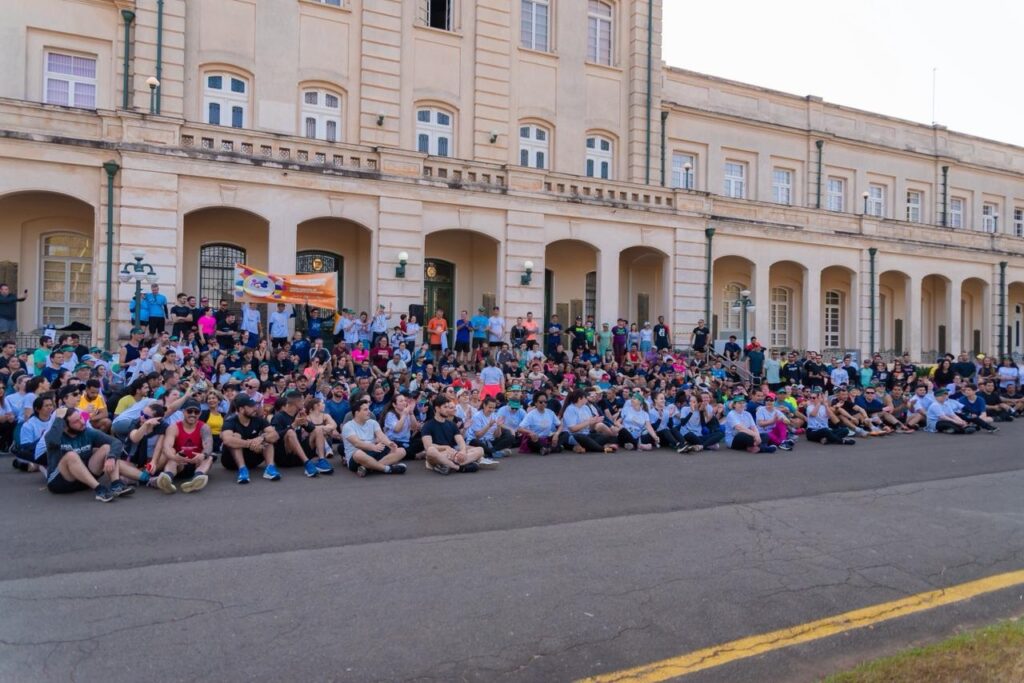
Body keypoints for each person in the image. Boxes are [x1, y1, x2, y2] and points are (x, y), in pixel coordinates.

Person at [44, 406, 147, 502]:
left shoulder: (88, 432)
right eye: (76, 421)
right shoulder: (54, 436)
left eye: (81, 418)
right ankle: (99, 489)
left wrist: (111, 457)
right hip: (60, 482)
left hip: (84, 481)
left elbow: (116, 442)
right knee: (71, 455)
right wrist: (58, 418)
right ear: (65, 426)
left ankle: (116, 484)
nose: (82, 422)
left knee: (107, 448)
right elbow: (52, 441)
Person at [153, 399, 215, 494]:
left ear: (200, 413)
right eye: (189, 411)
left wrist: (203, 455)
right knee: (172, 456)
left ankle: (197, 479)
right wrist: (174, 457)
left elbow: (208, 444)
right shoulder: (174, 427)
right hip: (179, 465)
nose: (193, 414)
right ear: (183, 412)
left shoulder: (204, 427)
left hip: (196, 464)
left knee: (209, 457)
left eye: (196, 412)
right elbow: (167, 447)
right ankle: (167, 479)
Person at [220, 394, 281, 483]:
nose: (255, 408)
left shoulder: (259, 420)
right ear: (241, 409)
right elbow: (227, 440)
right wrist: (250, 443)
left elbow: (275, 435)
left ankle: (270, 468)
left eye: (254, 405)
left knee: (268, 437)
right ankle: (242, 470)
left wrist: (261, 438)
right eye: (251, 406)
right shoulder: (230, 421)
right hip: (231, 461)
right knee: (236, 437)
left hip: (253, 458)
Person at [270, 391, 332, 477]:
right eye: (303, 401)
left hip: (299, 456)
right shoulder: (279, 417)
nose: (304, 403)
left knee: (318, 429)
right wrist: (293, 425)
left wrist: (305, 423)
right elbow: (274, 437)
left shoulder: (298, 415)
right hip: (285, 457)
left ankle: (321, 460)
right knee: (290, 432)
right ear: (297, 402)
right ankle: (307, 463)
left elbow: (313, 430)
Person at [341, 398, 407, 477]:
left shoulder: (372, 422)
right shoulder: (348, 426)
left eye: (368, 409)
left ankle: (368, 468)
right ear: (357, 413)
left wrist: (389, 443)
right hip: (356, 458)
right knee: (358, 454)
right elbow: (357, 443)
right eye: (365, 410)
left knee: (401, 451)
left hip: (373, 452)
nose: (369, 412)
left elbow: (381, 435)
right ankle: (387, 469)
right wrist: (373, 447)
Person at [421, 395, 485, 474]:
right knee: (431, 451)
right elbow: (428, 446)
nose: (448, 410)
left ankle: (448, 465)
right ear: (437, 408)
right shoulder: (428, 425)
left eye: (448, 407)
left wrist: (463, 452)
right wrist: (446, 447)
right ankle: (458, 467)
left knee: (480, 450)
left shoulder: (451, 424)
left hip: (452, 454)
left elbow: (460, 441)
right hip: (440, 454)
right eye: (445, 407)